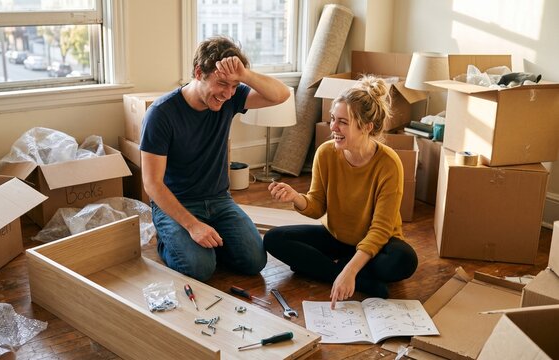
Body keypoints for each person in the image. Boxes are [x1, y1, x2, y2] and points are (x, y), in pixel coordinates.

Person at [140, 36, 290, 281]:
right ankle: (169, 242)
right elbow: (152, 184)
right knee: (200, 268)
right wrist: (192, 225)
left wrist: (245, 76)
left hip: (218, 200)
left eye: (234, 86)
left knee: (255, 261)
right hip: (176, 204)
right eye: (222, 84)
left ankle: (209, 243)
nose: (228, 94)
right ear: (199, 72)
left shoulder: (231, 98)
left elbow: (281, 95)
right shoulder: (160, 114)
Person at [264, 76, 418, 308]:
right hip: (337, 237)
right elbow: (317, 207)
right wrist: (295, 197)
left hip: (377, 244)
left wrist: (350, 268)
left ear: (367, 127)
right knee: (275, 239)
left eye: (343, 122)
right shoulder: (325, 153)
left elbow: (381, 229)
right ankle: (353, 277)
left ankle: (336, 268)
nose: (333, 128)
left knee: (404, 260)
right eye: (333, 119)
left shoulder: (388, 163)